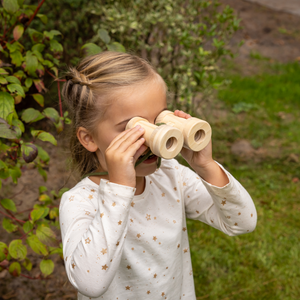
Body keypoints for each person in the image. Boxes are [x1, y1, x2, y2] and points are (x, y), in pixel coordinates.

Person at [59, 51, 257, 300]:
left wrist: (205, 164)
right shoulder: (80, 201)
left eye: (159, 121)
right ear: (89, 138)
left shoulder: (170, 175)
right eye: (133, 127)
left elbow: (242, 222)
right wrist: (120, 188)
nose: (155, 140)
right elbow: (90, 283)